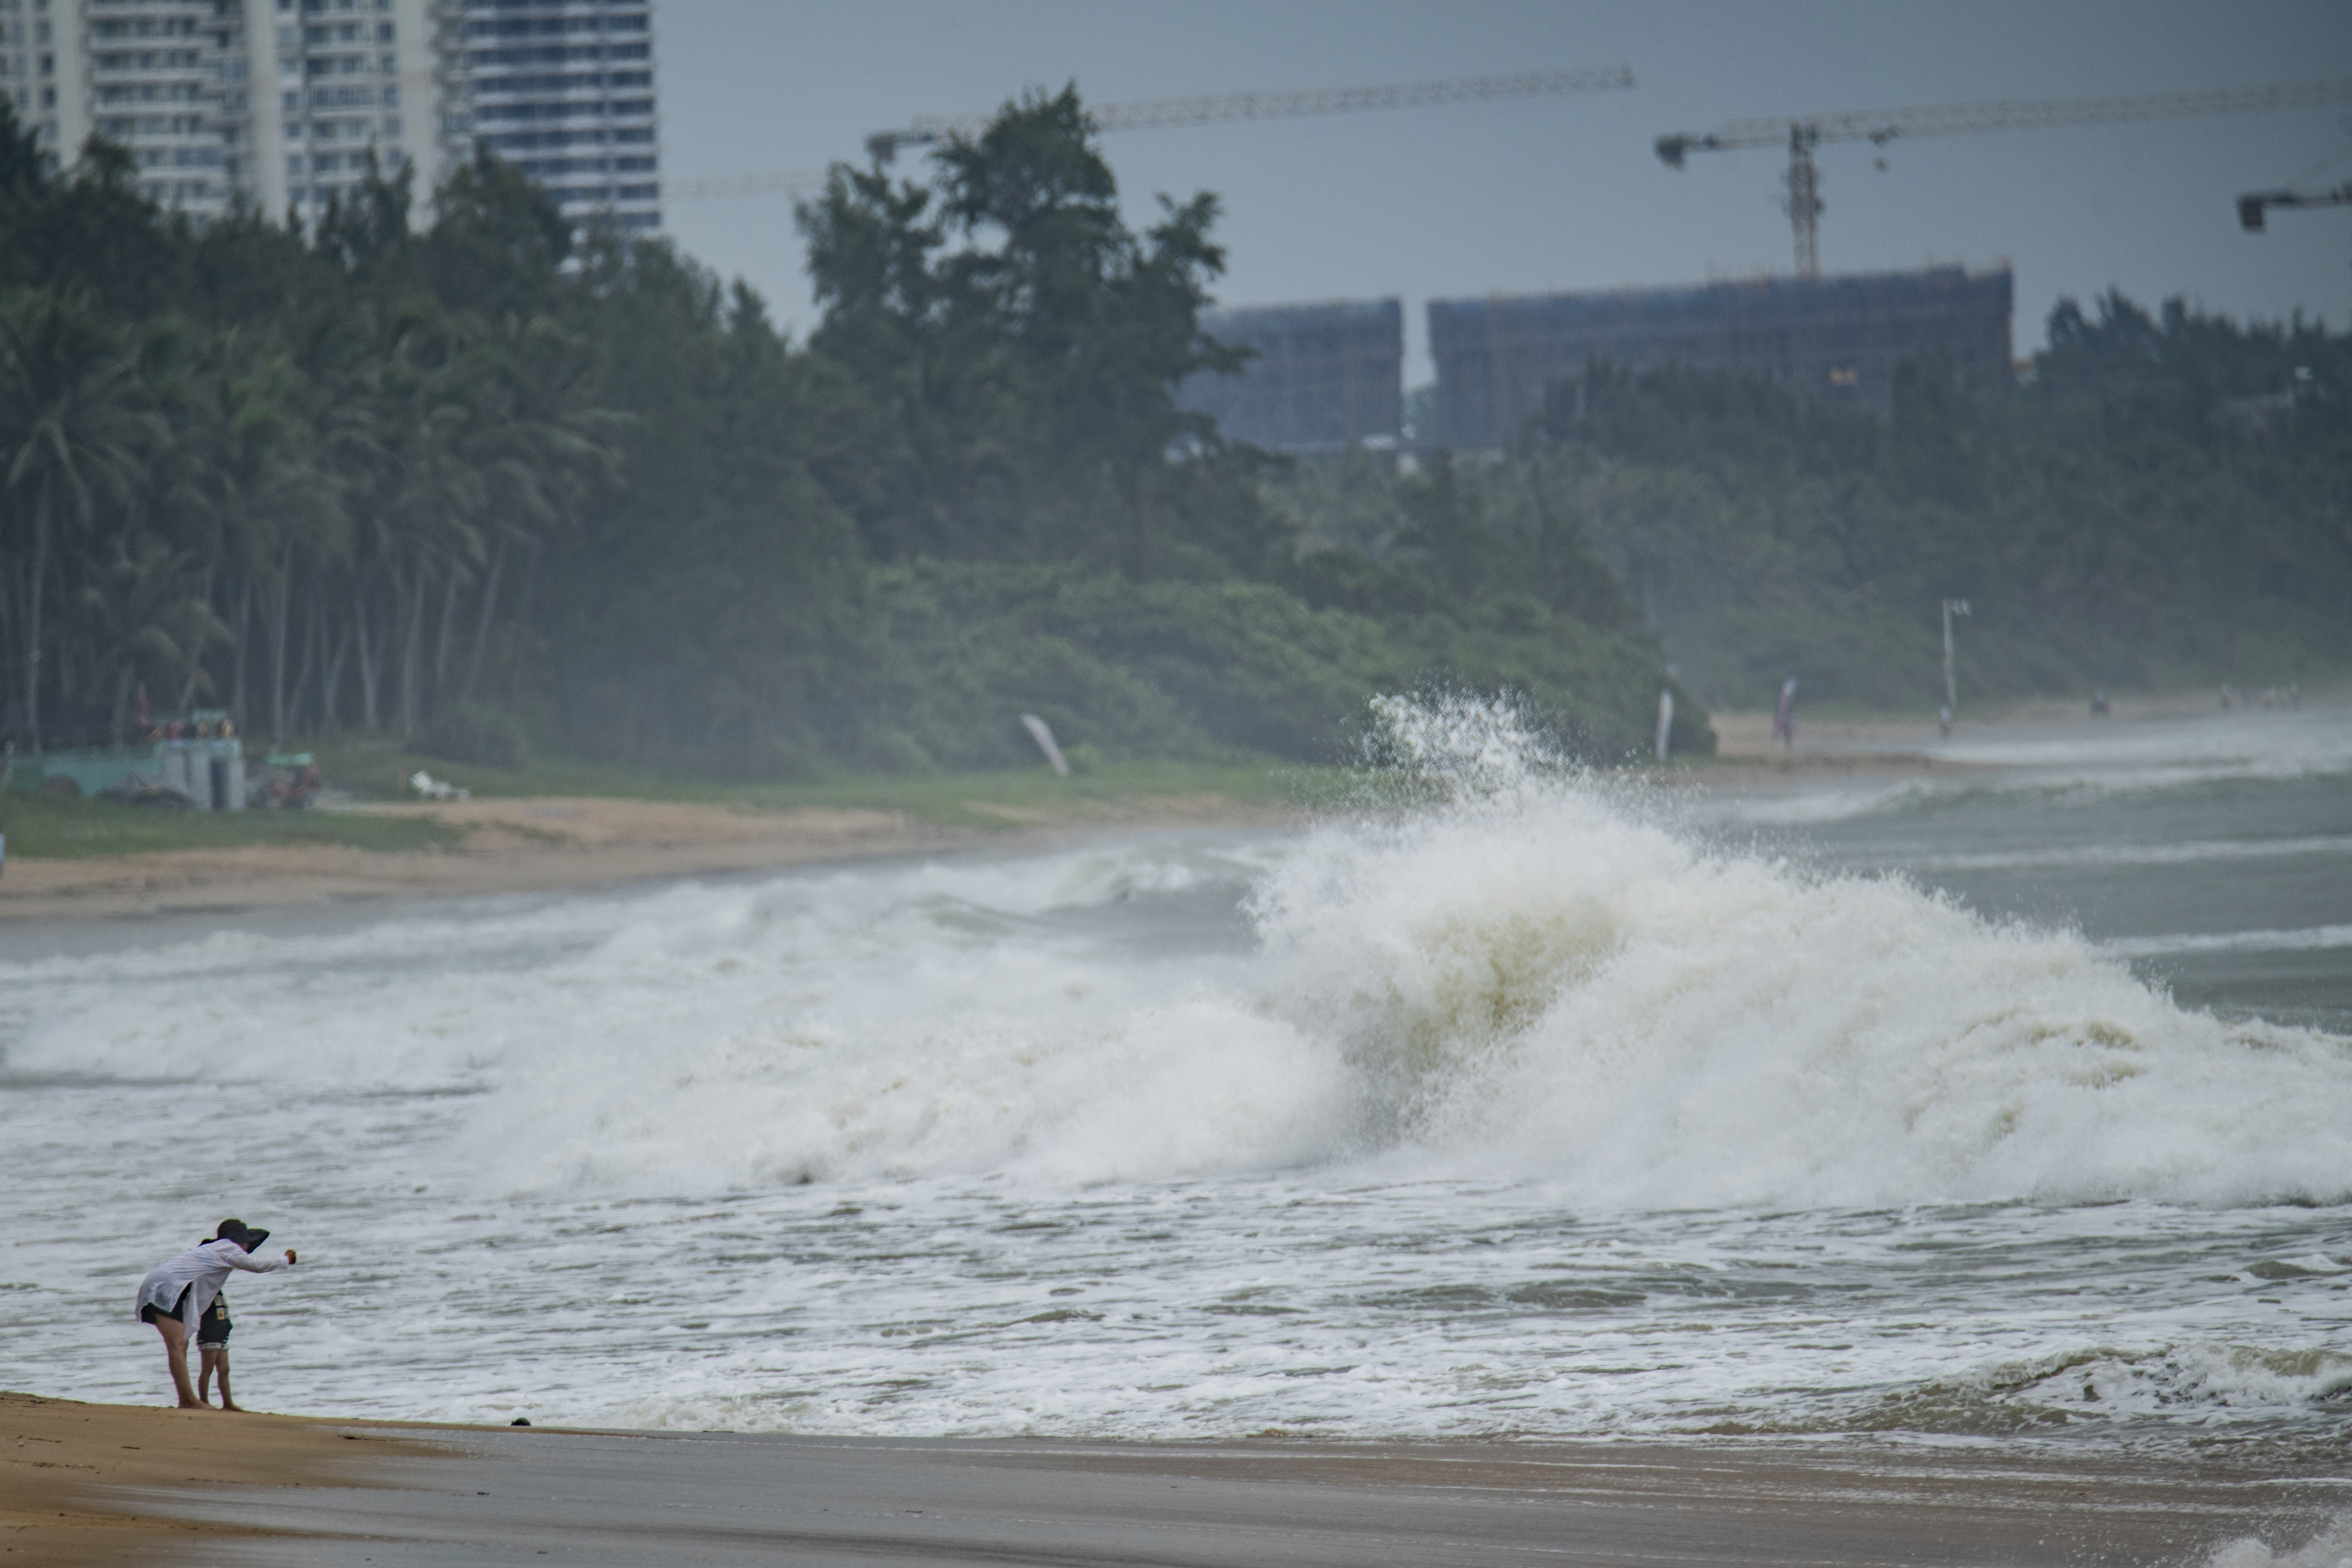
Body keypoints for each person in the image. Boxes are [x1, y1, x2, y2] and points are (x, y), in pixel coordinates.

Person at [134, 1220, 295, 1410]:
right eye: (247, 1243)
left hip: (159, 1285)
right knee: (177, 1345)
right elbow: (257, 1266)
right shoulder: (228, 1248)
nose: (248, 1247)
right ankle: (188, 1401)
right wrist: (285, 1260)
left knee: (178, 1345)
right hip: (167, 1288)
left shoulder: (212, 1250)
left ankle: (186, 1400)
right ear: (239, 1241)